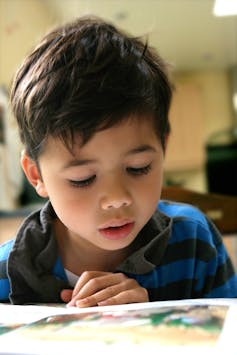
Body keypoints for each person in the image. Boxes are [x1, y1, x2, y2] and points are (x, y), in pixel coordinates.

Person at [0, 16, 236, 306]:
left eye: (139, 168)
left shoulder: (195, 242)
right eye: (83, 179)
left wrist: (151, 319)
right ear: (36, 175)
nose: (116, 199)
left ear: (163, 149)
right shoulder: (6, 274)